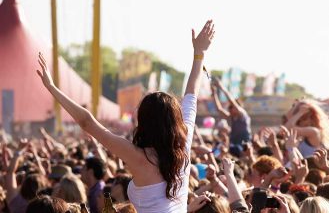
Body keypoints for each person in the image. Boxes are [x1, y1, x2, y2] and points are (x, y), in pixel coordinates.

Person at [36, 19, 216, 212]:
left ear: (144, 122)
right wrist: (199, 55)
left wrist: (52, 88)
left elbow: (87, 122)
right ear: (175, 121)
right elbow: (192, 94)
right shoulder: (184, 143)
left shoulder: (138, 156)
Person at [211, 77, 251, 156]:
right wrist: (214, 94)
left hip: (243, 145)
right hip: (234, 144)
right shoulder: (232, 116)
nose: (229, 110)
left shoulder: (242, 114)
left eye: (231, 108)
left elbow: (232, 101)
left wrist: (221, 86)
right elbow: (219, 109)